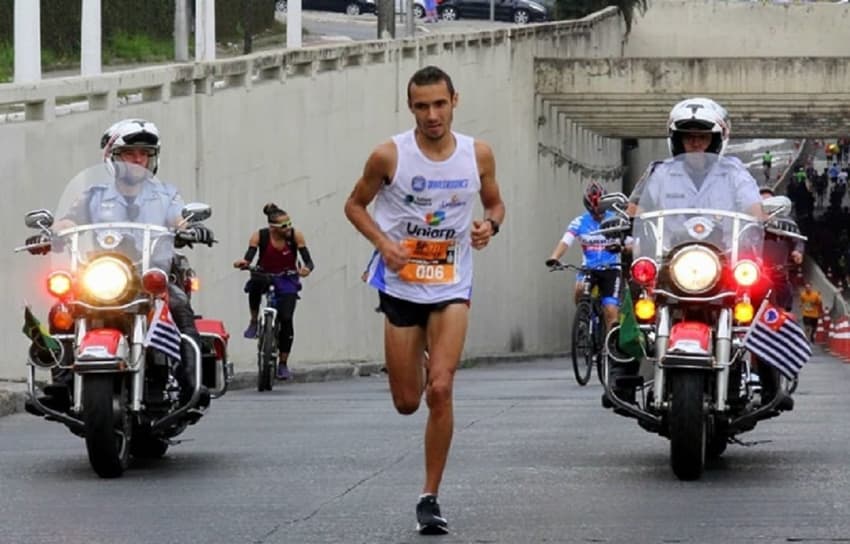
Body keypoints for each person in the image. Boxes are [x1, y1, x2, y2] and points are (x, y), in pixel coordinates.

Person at [343, 65, 505, 535]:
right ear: (410, 107)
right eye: (421, 106)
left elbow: (495, 204)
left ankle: (429, 496)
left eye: (439, 104)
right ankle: (416, 357)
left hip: (452, 282)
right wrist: (383, 243)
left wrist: (488, 226)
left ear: (455, 99)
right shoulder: (389, 156)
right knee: (408, 401)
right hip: (401, 285)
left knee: (441, 388)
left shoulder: (478, 155)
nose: (432, 115)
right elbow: (354, 205)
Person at [27, 118, 214, 411]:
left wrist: (188, 227)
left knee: (178, 305)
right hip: (103, 273)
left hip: (149, 274)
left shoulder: (166, 194)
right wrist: (50, 233)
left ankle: (190, 383)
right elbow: (69, 220)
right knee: (61, 309)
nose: (138, 159)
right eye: (130, 153)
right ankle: (62, 383)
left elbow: (179, 216)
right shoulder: (94, 196)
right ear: (113, 158)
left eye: (145, 153)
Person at [233, 203, 314, 380]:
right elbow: (249, 256)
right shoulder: (260, 236)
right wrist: (244, 262)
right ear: (272, 228)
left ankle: (283, 363)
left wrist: (306, 269)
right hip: (265, 275)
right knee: (254, 284)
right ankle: (254, 320)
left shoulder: (295, 236)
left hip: (287, 278)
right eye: (284, 226)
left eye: (289, 223)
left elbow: (308, 261)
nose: (288, 228)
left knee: (286, 319)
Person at [545, 181, 624, 334]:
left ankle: (610, 348)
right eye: (593, 212)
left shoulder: (617, 221)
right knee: (579, 289)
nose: (598, 215)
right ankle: (584, 318)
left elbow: (634, 245)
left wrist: (621, 248)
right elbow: (565, 241)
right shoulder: (579, 222)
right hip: (589, 269)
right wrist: (554, 257)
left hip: (611, 270)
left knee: (610, 310)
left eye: (600, 211)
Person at [755, 186, 804, 411]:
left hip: (776, 279)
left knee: (775, 325)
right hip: (747, 278)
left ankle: (774, 381)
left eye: (770, 204)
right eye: (762, 203)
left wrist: (797, 253)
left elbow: (798, 242)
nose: (767, 208)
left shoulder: (786, 225)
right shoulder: (746, 223)